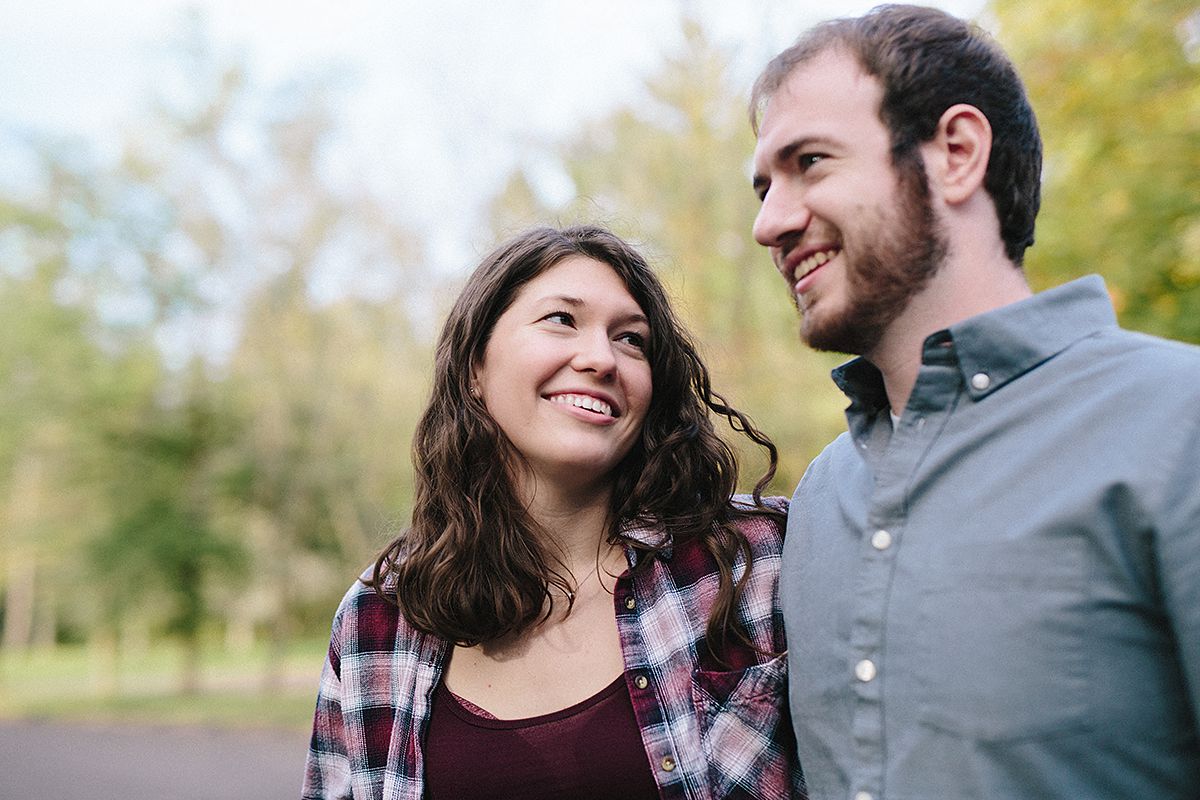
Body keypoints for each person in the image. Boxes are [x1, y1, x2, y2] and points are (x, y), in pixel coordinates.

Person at [748, 5, 1199, 799]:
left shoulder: (1179, 421)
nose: (769, 222)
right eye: (763, 186)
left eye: (810, 162)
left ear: (956, 152)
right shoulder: (819, 499)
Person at [301, 225, 805, 800]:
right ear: (474, 369)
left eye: (632, 340)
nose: (601, 359)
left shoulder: (752, 561)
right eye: (561, 319)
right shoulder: (380, 616)